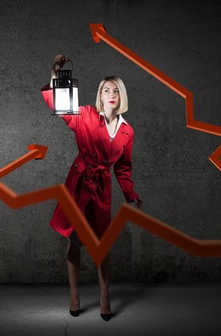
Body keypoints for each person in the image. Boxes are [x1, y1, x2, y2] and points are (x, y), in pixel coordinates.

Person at [41, 54, 143, 321]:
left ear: (121, 97)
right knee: (74, 240)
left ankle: (104, 296)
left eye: (116, 91)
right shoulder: (85, 114)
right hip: (79, 182)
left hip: (102, 187)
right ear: (100, 94)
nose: (111, 95)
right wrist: (55, 72)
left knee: (101, 244)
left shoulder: (127, 131)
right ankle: (74, 294)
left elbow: (123, 168)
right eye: (106, 90)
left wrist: (131, 194)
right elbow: (61, 106)